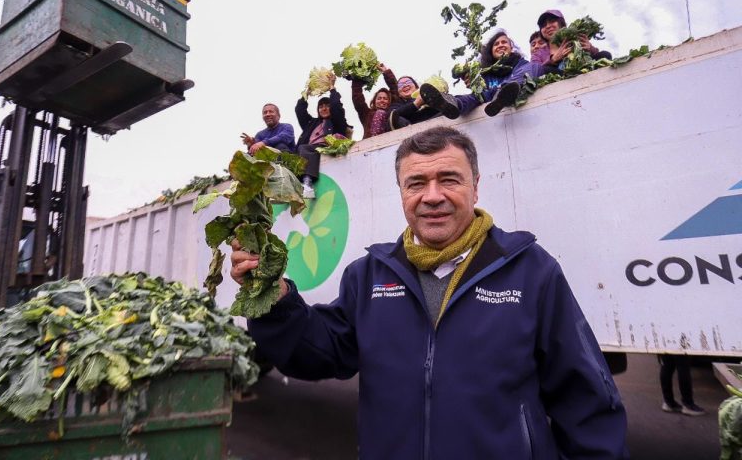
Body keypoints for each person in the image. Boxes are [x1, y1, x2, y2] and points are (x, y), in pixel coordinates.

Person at [230, 126, 629, 459]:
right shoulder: (369, 275)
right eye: (416, 183)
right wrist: (273, 295)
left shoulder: (532, 271)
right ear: (402, 194)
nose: (432, 195)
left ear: (475, 187)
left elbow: (587, 402)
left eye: (449, 179)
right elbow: (316, 353)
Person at [422, 30, 546, 118]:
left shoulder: (521, 63)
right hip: (490, 96)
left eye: (504, 42)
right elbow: (480, 95)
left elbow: (528, 73)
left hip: (509, 89)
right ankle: (452, 104)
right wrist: (472, 80)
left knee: (534, 67)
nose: (500, 45)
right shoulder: (485, 71)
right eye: (496, 44)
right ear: (491, 51)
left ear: (511, 47)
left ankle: (502, 95)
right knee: (473, 97)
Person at [294, 87, 348, 198]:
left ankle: (307, 184)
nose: (324, 109)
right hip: (307, 150)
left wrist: (332, 90)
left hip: (326, 148)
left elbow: (337, 107)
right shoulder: (311, 123)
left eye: (327, 106)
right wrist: (306, 94)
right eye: (321, 106)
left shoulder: (337, 121)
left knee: (304, 148)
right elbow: (300, 111)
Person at [533, 9, 612, 68]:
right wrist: (553, 60)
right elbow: (534, 72)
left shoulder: (575, 41)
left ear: (561, 23)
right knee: (547, 69)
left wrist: (590, 48)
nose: (548, 26)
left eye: (552, 21)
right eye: (543, 25)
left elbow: (596, 54)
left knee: (605, 55)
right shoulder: (538, 54)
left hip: (582, 73)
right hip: (557, 82)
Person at [387, 75, 459, 130]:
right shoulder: (397, 104)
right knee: (394, 116)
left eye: (407, 82)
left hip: (435, 121)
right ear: (399, 93)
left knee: (454, 99)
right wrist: (416, 104)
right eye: (400, 85)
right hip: (412, 128)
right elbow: (393, 117)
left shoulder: (428, 94)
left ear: (416, 87)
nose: (405, 85)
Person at [350, 63, 398, 138]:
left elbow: (395, 89)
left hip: (389, 143)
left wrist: (386, 72)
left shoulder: (392, 112)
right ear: (374, 101)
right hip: (369, 146)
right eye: (379, 98)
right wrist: (357, 76)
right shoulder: (366, 114)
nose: (382, 100)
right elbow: (357, 98)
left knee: (381, 113)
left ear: (390, 101)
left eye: (385, 98)